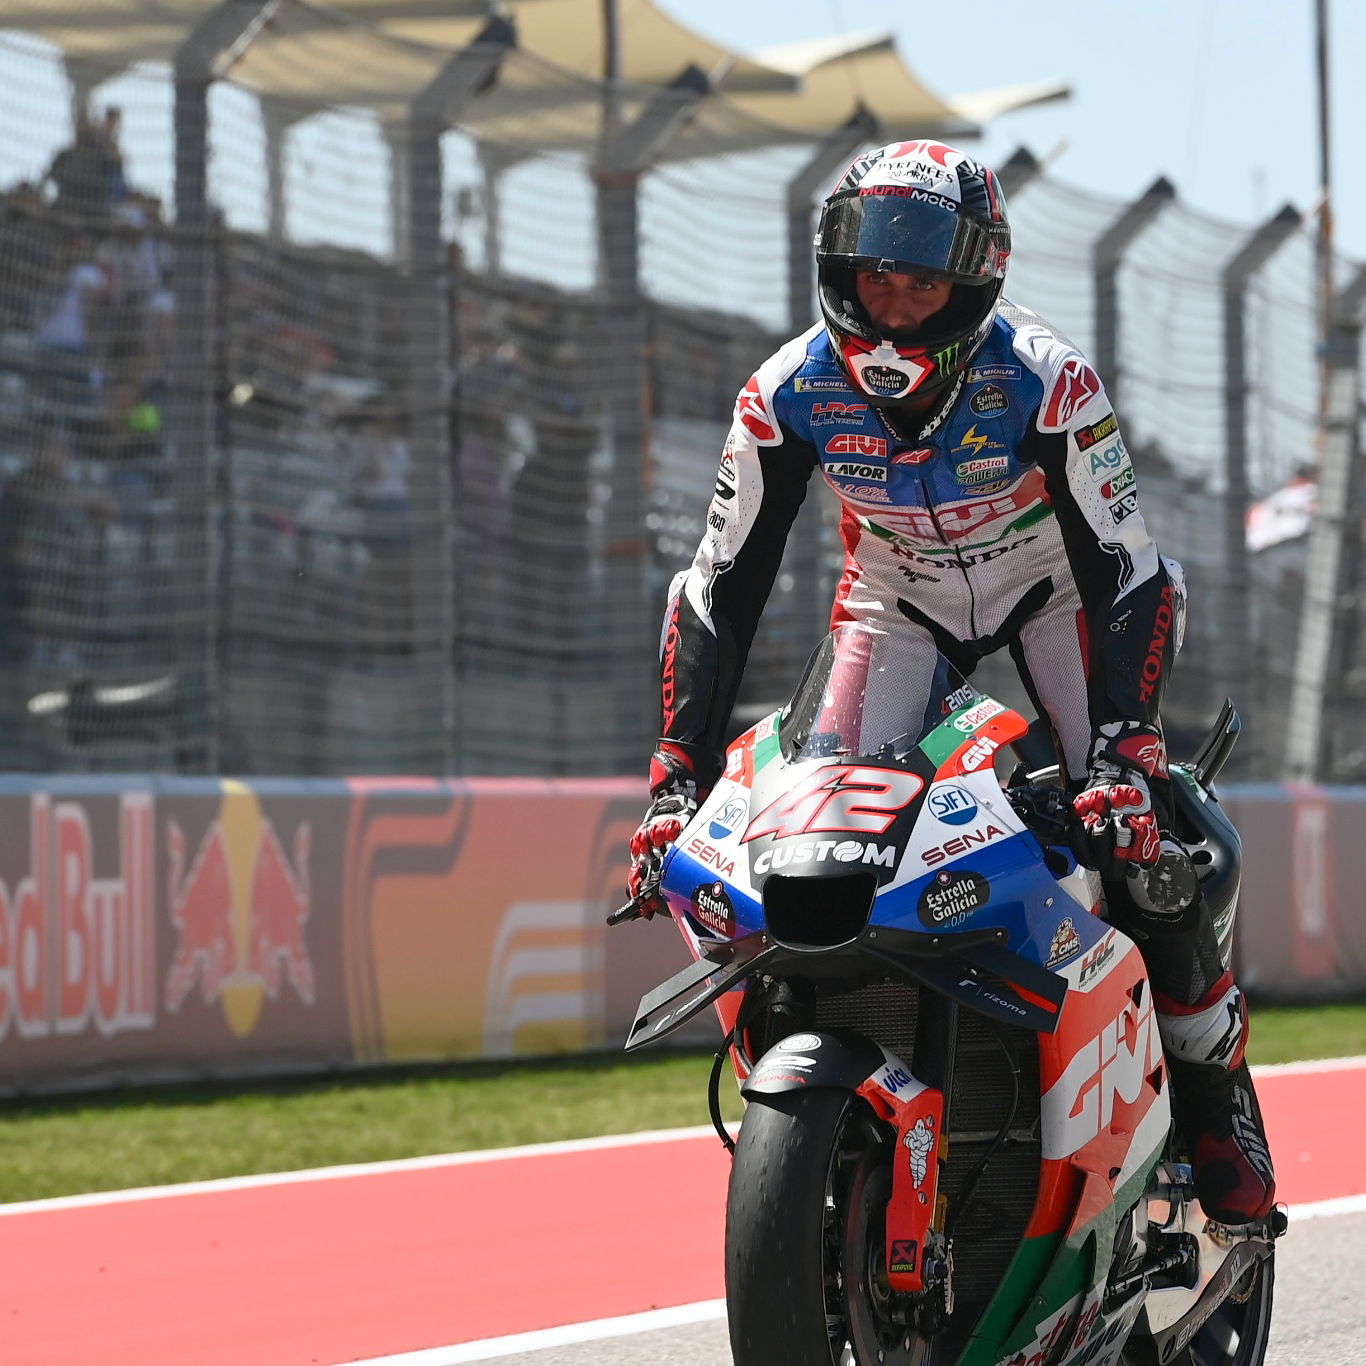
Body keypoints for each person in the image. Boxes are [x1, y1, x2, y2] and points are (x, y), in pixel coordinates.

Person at [625, 140, 1275, 1227]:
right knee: (817, 837)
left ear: (972, 282)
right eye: (874, 273)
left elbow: (1129, 567)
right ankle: (842, 1092)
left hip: (1056, 593)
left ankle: (1214, 1088)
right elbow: (717, 586)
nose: (892, 301)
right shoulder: (783, 391)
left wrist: (1124, 748)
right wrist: (672, 778)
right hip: (893, 601)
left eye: (920, 278)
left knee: (1141, 839)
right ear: (836, 268)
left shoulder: (1046, 376)